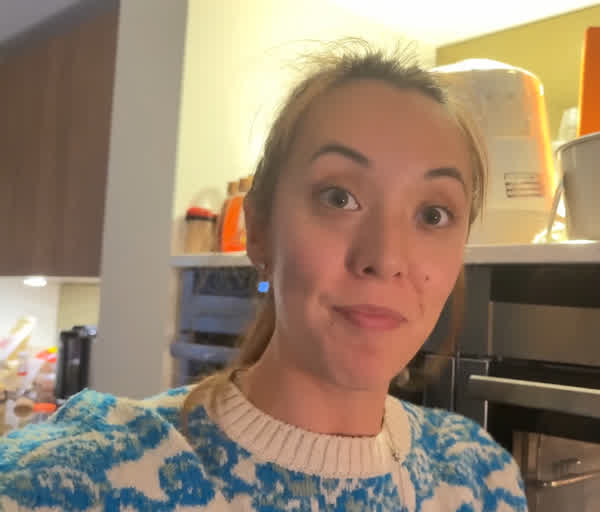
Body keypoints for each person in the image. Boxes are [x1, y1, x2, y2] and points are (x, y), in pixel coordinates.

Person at [0, 40, 527, 511]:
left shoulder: (481, 477)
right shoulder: (81, 480)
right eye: (339, 197)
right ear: (258, 229)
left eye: (433, 214)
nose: (386, 258)